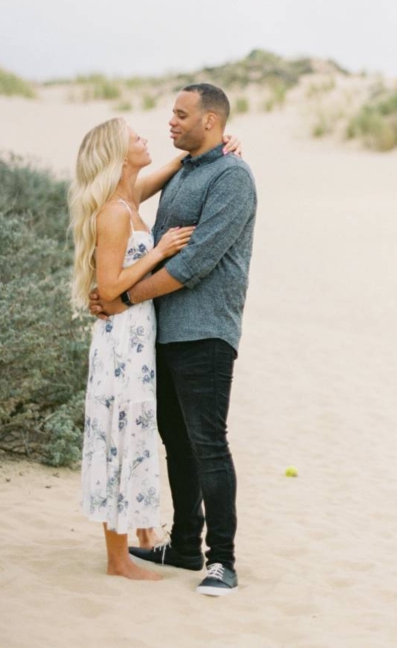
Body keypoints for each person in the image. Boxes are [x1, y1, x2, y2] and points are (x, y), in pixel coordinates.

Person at [90, 83, 257, 597]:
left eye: (182, 115)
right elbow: (120, 203)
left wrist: (124, 296)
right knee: (176, 444)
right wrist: (123, 295)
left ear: (211, 121)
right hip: (161, 333)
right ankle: (184, 544)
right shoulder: (187, 170)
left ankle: (221, 561)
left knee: (208, 445)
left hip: (207, 330)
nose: (171, 122)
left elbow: (192, 264)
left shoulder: (232, 177)